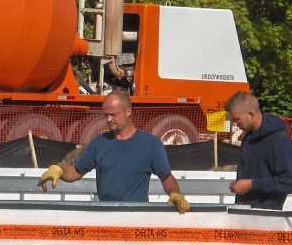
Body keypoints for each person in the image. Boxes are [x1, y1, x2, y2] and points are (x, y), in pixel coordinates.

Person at [38, 90, 190, 213]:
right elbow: (75, 172)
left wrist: (175, 193)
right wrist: (58, 169)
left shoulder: (150, 144)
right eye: (106, 115)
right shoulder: (100, 142)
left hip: (137, 217)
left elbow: (167, 177)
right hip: (106, 216)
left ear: (128, 112)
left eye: (113, 114)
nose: (108, 119)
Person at [225, 91, 292, 210]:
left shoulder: (278, 140)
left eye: (237, 120)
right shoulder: (249, 136)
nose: (236, 125)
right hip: (244, 212)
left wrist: (251, 184)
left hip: (266, 217)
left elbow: (291, 182)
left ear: (251, 115)